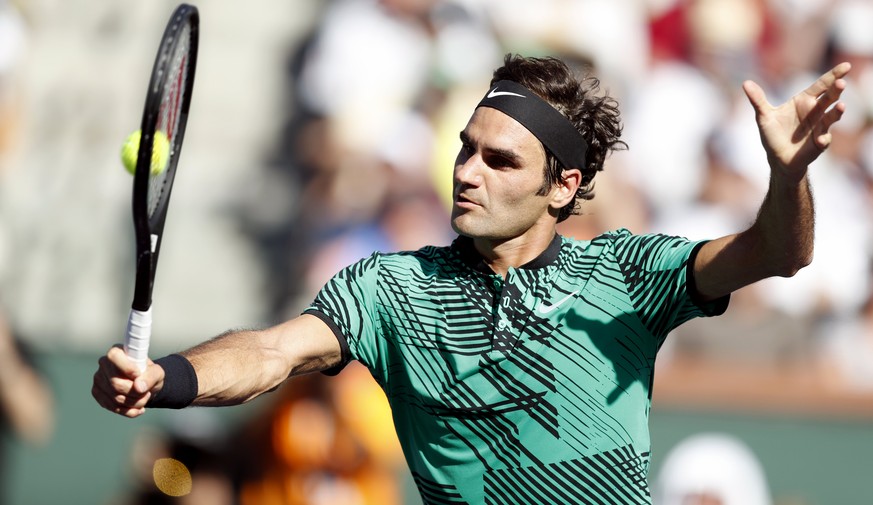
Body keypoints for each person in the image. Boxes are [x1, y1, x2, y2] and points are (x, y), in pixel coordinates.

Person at [92, 54, 851, 504]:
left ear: (563, 186)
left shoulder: (626, 273)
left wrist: (789, 176)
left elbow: (775, 253)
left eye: (499, 161)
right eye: (465, 149)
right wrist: (169, 377)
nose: (465, 172)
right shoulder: (389, 290)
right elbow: (268, 352)